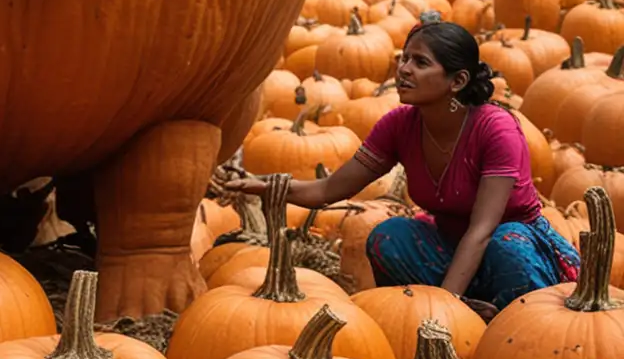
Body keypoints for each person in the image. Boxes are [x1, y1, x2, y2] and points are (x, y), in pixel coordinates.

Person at [230, 22, 577, 318]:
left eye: (420, 62)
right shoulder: (400, 125)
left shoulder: (495, 128)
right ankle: (419, 319)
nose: (404, 69)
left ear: (457, 81)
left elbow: (483, 230)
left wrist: (446, 307)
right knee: (389, 236)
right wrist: (261, 184)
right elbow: (328, 191)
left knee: (506, 244)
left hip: (517, 255)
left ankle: (506, 320)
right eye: (405, 58)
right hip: (451, 252)